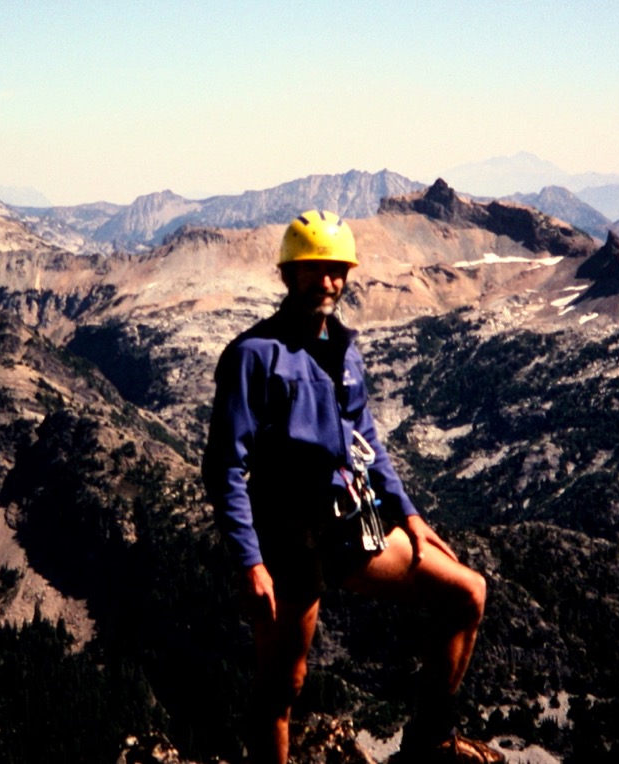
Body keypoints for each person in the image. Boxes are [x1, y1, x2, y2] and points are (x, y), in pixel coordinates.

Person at [202, 210, 504, 764]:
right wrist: (250, 562)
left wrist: (409, 515)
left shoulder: (344, 347)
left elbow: (366, 439)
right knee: (283, 686)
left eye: (337, 270)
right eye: (315, 270)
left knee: (467, 594)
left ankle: (429, 742)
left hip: (352, 520)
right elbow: (224, 467)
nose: (328, 282)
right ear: (289, 274)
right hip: (289, 534)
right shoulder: (253, 356)